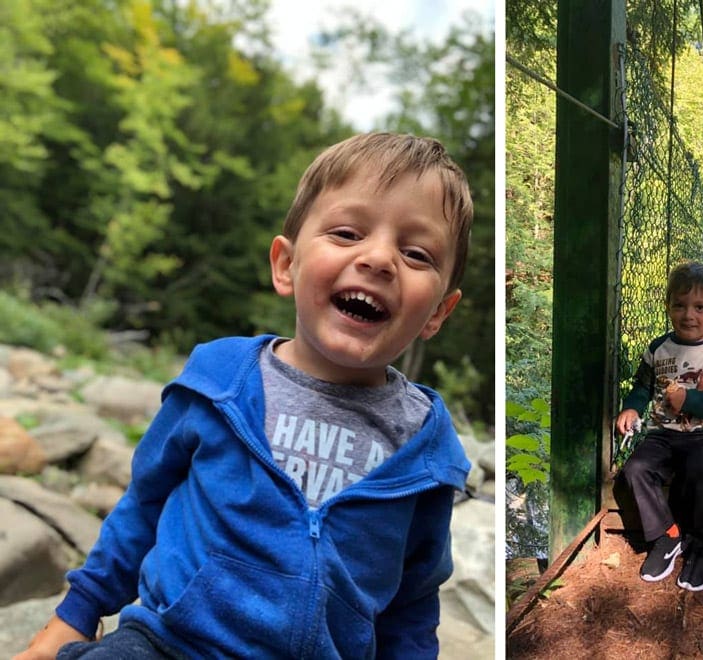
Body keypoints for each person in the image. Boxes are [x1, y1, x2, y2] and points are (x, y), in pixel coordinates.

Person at [16, 133, 474, 659]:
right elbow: (144, 504)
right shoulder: (218, 383)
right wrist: (77, 612)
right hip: (170, 643)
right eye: (347, 232)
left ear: (438, 311)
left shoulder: (426, 450)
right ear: (286, 264)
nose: (378, 258)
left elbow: (414, 599)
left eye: (416, 253)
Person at [616, 262, 703, 592]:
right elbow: (642, 386)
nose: (688, 315)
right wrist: (630, 407)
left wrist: (692, 401)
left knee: (702, 473)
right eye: (679, 305)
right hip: (662, 432)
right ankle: (667, 535)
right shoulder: (658, 348)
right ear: (668, 305)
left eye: (700, 307)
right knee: (636, 469)